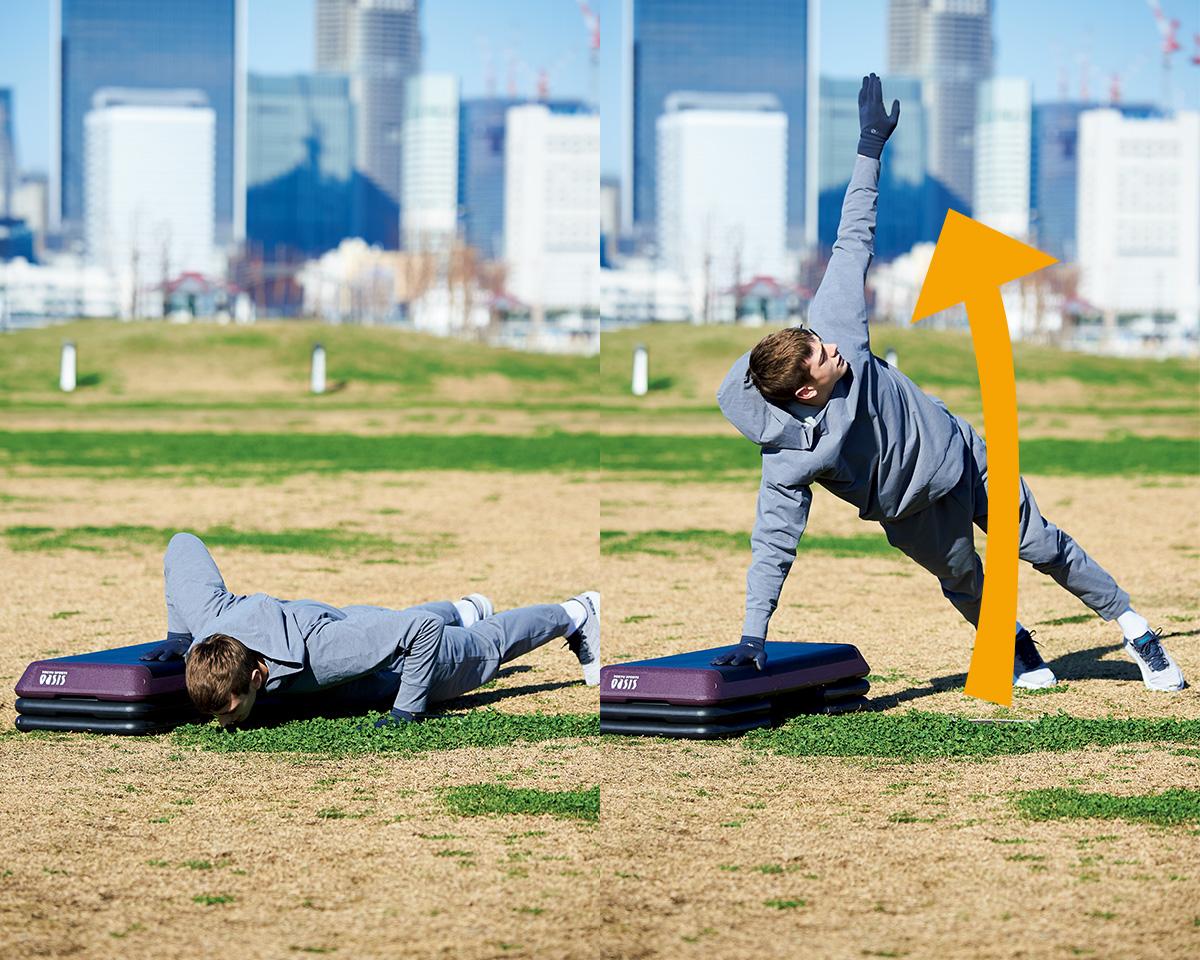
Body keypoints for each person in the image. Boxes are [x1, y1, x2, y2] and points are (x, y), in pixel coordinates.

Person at [710, 74, 1185, 693]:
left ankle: (1132, 625)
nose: (836, 352)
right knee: (964, 580)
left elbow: (853, 236)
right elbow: (771, 548)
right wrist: (753, 638)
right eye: (826, 357)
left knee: (1041, 545)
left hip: (964, 455)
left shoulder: (835, 326)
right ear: (806, 391)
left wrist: (869, 147)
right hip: (911, 513)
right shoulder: (787, 461)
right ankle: (1012, 641)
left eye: (824, 342)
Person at [140, 532, 600, 727]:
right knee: (385, 624)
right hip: (356, 623)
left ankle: (577, 613)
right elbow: (182, 545)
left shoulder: (327, 653)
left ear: (259, 674)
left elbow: (418, 632)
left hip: (399, 663)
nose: (224, 723)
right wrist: (180, 640)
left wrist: (408, 710)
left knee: (486, 647)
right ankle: (464, 607)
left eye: (228, 711)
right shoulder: (210, 623)